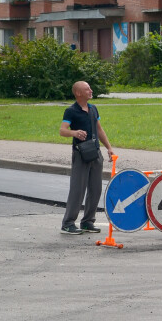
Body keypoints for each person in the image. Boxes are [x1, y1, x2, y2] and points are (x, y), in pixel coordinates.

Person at [57, 81, 116, 234]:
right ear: (78, 93)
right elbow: (62, 130)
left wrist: (109, 148)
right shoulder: (71, 111)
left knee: (95, 189)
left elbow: (99, 129)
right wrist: (74, 133)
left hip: (95, 153)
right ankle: (68, 223)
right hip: (80, 154)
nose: (91, 90)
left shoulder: (93, 109)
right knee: (78, 190)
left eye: (90, 88)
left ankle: (87, 222)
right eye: (87, 89)